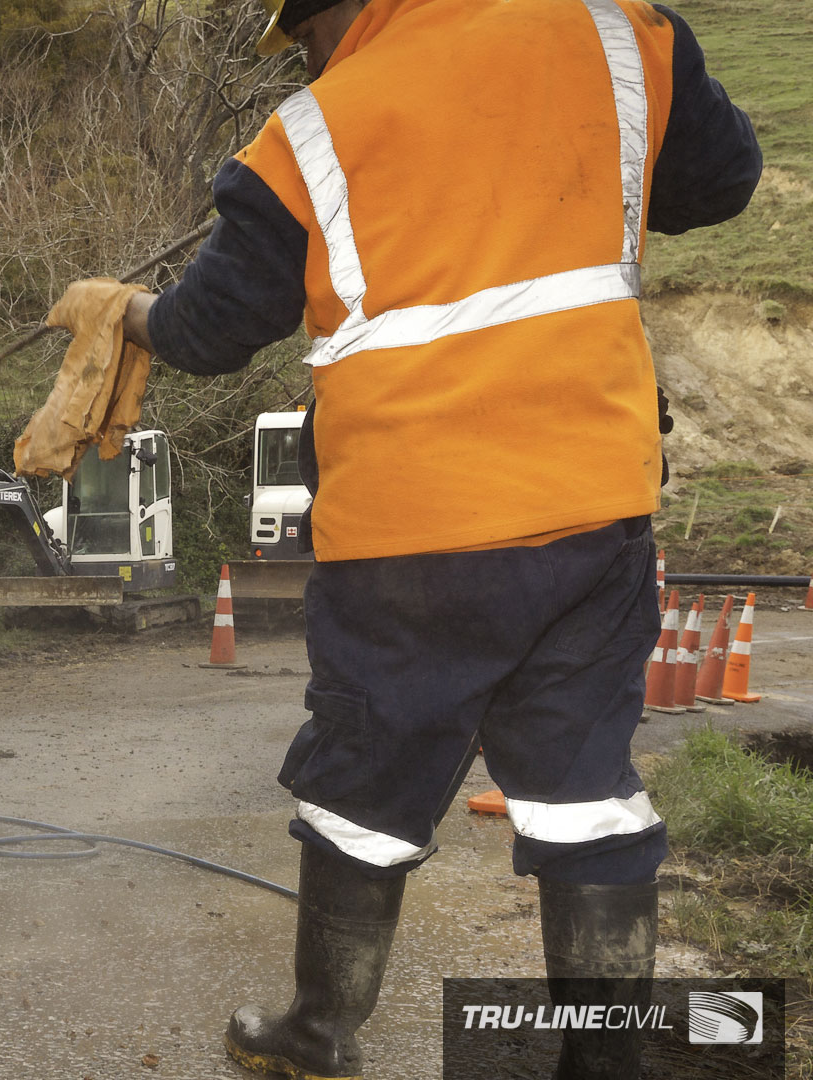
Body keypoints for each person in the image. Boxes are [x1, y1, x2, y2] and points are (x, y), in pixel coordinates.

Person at [108, 0, 762, 1075]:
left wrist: (123, 311)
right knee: (584, 794)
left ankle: (318, 1034)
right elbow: (719, 183)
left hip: (406, 531)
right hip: (589, 508)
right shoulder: (617, 33)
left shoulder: (314, 127)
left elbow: (211, 328)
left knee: (366, 792)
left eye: (303, 40)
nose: (307, 61)